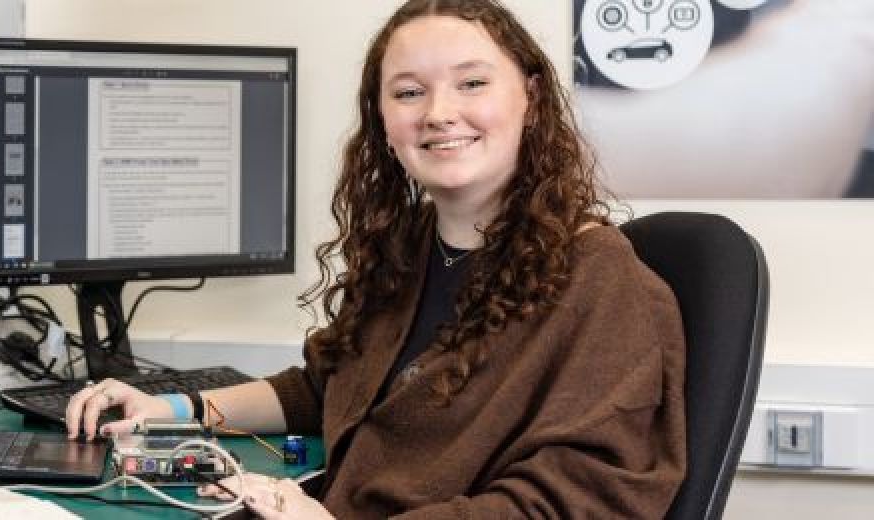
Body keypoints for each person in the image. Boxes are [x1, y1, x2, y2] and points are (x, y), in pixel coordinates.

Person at [64, 0, 688, 517]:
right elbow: (329, 388)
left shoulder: (598, 277)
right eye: (409, 92)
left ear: (529, 95)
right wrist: (175, 410)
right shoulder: (409, 248)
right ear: (383, 120)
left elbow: (575, 505)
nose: (439, 112)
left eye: (472, 82)